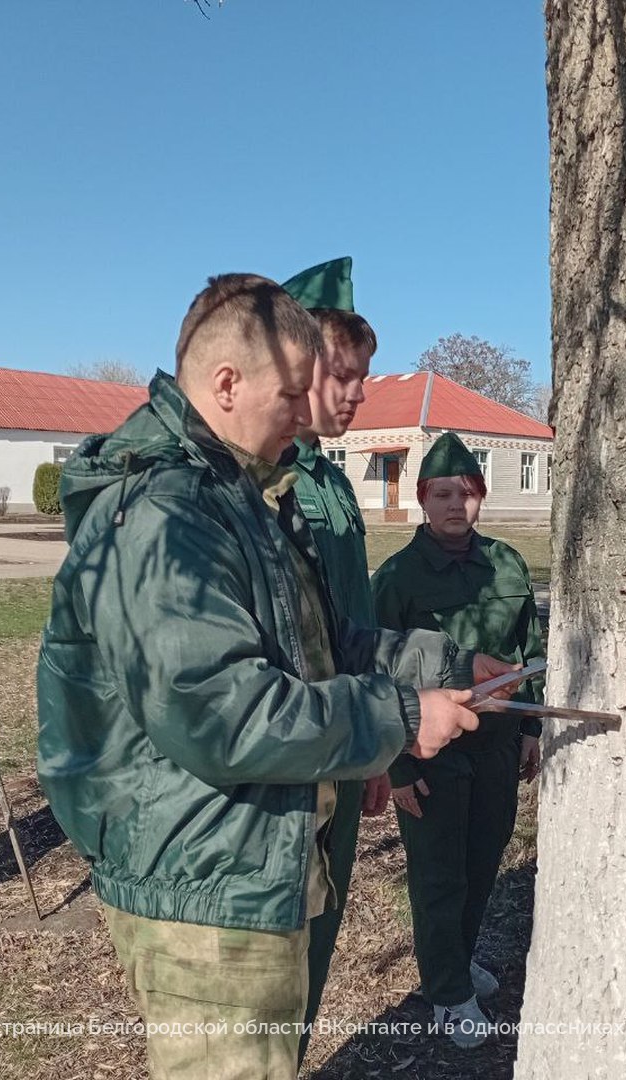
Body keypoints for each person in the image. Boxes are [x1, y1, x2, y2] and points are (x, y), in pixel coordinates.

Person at [36, 274, 519, 1080]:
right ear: (227, 384)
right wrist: (401, 719)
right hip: (205, 884)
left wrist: (455, 664)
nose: (307, 415)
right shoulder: (168, 515)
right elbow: (222, 713)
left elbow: (325, 642)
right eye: (293, 394)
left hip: (244, 857)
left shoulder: (237, 498)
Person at [371, 432, 545, 1049]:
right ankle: (446, 993)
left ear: (481, 497)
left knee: (481, 865)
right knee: (439, 872)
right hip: (429, 750)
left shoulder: (508, 564)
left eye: (467, 494)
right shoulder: (397, 577)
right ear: (421, 499)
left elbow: (530, 651)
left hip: (497, 745)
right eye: (442, 493)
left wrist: (529, 729)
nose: (455, 505)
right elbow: (371, 669)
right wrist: (394, 766)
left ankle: (456, 959)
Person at [279, 257, 387, 1055]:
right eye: (342, 374)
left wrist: (378, 741)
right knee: (273, 948)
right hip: (279, 752)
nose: (357, 393)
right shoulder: (252, 482)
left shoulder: (335, 482)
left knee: (324, 928)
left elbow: (358, 618)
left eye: (362, 376)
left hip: (345, 739)